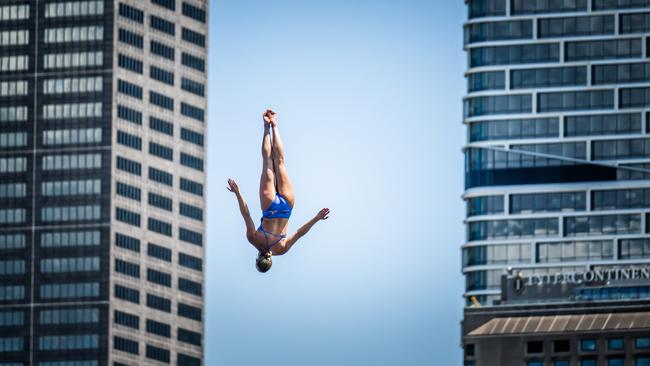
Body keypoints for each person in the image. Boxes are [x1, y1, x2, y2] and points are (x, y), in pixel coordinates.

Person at [227, 109, 330, 272]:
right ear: (257, 259)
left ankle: (275, 125)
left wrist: (317, 218)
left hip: (287, 207)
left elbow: (299, 233)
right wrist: (238, 192)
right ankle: (267, 127)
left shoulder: (281, 250)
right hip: (269, 207)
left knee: (280, 162)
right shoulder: (253, 240)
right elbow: (246, 214)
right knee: (268, 162)